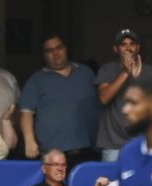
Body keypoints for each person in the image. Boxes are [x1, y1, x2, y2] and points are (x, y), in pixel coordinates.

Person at [19, 34, 99, 168]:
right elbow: (25, 113)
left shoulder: (86, 73)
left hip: (88, 150)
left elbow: (103, 101)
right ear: (44, 56)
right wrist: (29, 140)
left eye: (59, 48)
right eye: (49, 51)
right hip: (53, 154)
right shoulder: (36, 80)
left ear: (66, 49)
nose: (55, 53)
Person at [96, 28, 152, 161]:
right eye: (123, 44)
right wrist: (125, 73)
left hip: (142, 142)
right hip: (113, 144)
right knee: (111, 182)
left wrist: (136, 79)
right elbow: (104, 98)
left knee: (141, 182)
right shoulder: (107, 69)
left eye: (132, 44)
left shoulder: (150, 72)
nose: (128, 48)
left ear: (138, 47)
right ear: (116, 49)